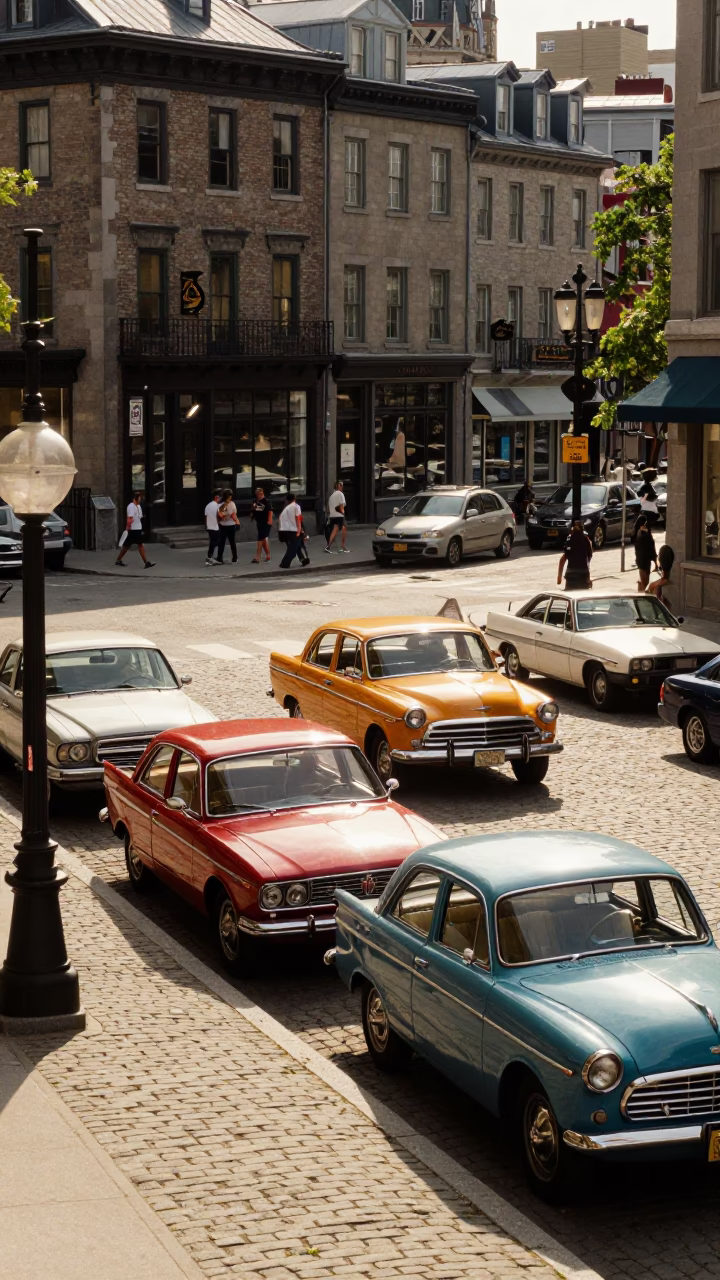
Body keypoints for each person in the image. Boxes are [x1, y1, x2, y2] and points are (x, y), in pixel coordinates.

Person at [115, 492, 155, 568]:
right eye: (139, 497)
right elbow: (129, 519)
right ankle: (146, 562)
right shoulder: (131, 506)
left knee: (126, 546)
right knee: (140, 545)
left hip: (137, 528)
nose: (140, 499)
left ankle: (118, 560)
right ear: (136, 498)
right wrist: (128, 529)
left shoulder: (138, 506)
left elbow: (139, 517)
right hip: (133, 529)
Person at [557, 519, 593, 590]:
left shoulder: (570, 540)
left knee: (571, 596)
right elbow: (588, 560)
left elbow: (563, 559)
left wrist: (559, 577)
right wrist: (588, 578)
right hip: (583, 575)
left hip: (571, 574)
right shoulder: (586, 540)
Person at [278, 493, 305, 569]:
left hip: (283, 530)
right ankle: (285, 563)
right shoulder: (296, 506)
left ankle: (303, 560)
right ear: (294, 498)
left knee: (296, 546)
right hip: (292, 530)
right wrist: (299, 530)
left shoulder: (286, 508)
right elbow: (298, 518)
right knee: (293, 548)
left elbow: (280, 518)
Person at [325, 480, 349, 554]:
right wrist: (343, 513)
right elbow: (342, 505)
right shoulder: (340, 494)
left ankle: (328, 546)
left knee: (335, 530)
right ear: (340, 486)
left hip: (332, 515)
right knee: (344, 528)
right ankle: (343, 546)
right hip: (339, 515)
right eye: (342, 485)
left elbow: (329, 507)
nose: (343, 487)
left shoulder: (331, 496)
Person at [634, 515, 657, 592]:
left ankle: (640, 592)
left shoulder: (640, 533)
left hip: (642, 561)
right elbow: (650, 547)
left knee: (644, 581)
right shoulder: (643, 535)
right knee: (645, 583)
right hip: (643, 561)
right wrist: (655, 560)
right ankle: (641, 595)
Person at [216, 489, 239, 564]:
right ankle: (235, 558)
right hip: (231, 525)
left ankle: (220, 558)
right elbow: (234, 514)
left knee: (222, 542)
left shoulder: (220, 504)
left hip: (223, 525)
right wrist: (237, 522)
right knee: (232, 542)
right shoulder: (231, 504)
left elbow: (219, 515)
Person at [250, 487, 273, 563]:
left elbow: (270, 511)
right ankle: (268, 555)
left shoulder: (266, 501)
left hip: (265, 522)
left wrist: (269, 521)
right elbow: (256, 511)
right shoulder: (257, 502)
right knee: (263, 539)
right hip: (260, 522)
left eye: (257, 495)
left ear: (261, 494)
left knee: (260, 540)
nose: (256, 496)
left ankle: (257, 557)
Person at [204, 488, 222, 567]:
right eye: (219, 498)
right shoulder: (217, 506)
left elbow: (205, 516)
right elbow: (219, 516)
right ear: (216, 497)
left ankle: (210, 557)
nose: (220, 499)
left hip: (209, 527)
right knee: (216, 542)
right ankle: (210, 557)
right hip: (215, 527)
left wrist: (207, 526)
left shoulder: (207, 506)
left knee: (213, 542)